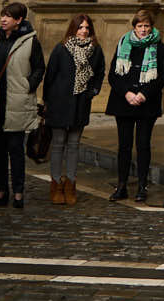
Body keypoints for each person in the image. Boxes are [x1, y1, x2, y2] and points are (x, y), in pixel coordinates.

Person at [0, 2, 45, 209]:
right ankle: (2, 191)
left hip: (17, 101)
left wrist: (28, 85)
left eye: (8, 16)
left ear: (18, 20)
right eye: (2, 15)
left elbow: (39, 68)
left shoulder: (30, 41)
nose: (3, 19)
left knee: (16, 150)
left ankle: (18, 192)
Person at [106, 8, 164, 203]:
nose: (143, 30)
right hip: (124, 101)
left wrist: (143, 94)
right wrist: (127, 93)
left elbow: (162, 77)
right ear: (134, 26)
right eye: (140, 26)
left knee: (143, 145)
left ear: (152, 27)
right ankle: (122, 185)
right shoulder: (123, 43)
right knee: (124, 146)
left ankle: (142, 186)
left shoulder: (160, 47)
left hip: (145, 102)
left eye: (146, 26)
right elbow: (114, 74)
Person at [41, 14, 103, 205]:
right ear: (73, 29)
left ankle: (71, 184)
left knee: (74, 144)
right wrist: (47, 102)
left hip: (80, 103)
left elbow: (99, 73)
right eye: (80, 28)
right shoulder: (61, 48)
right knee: (58, 143)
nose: (84, 31)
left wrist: (91, 92)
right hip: (59, 102)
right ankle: (56, 184)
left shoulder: (95, 50)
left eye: (87, 28)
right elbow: (50, 75)